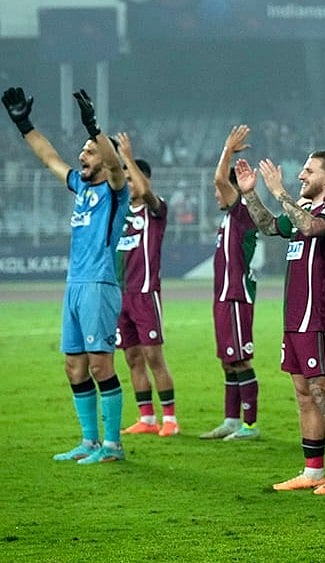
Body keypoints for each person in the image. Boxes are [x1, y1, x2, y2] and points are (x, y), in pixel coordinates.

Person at [3, 87, 129, 463]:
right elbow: (49, 157)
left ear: (105, 159)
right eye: (84, 150)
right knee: (74, 366)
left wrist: (94, 127)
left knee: (100, 364)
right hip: (74, 286)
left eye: (89, 151)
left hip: (99, 285)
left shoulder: (115, 191)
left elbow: (116, 165)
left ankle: (112, 446)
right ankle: (89, 442)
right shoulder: (80, 186)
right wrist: (24, 124)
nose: (82, 155)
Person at [235, 149, 325, 495]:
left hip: (317, 316)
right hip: (295, 317)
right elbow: (271, 226)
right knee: (304, 394)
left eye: (308, 170)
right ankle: (313, 470)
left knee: (324, 391)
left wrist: (280, 192)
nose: (301, 175)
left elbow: (310, 226)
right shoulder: (308, 209)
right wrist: (249, 193)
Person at [114, 133, 180, 437]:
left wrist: (127, 156)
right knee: (132, 357)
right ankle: (147, 418)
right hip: (120, 295)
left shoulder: (156, 209)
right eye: (124, 179)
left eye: (132, 179)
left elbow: (144, 192)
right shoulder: (119, 215)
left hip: (145, 294)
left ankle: (170, 419)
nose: (129, 185)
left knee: (154, 356)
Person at [201, 125, 261, 441]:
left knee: (240, 358)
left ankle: (250, 424)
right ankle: (231, 420)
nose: (215, 194)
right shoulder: (228, 218)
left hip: (237, 296)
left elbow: (219, 180)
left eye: (222, 191)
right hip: (223, 297)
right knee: (227, 360)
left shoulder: (243, 213)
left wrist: (227, 149)